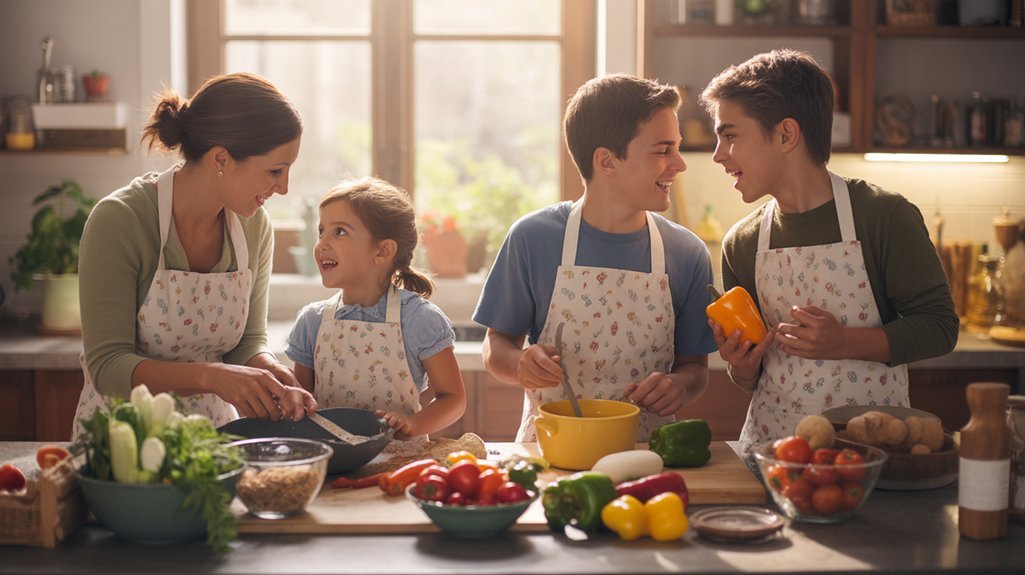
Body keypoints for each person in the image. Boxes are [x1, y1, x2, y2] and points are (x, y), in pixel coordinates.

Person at [699, 49, 958, 450]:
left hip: (871, 453)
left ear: (786, 135)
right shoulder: (742, 242)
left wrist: (845, 343)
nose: (718, 154)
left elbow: (940, 327)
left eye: (730, 136)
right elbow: (751, 376)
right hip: (773, 454)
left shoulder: (884, 216)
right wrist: (742, 365)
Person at [473, 74, 717, 442]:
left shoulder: (687, 253)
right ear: (606, 161)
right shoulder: (533, 238)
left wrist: (679, 386)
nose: (679, 164)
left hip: (646, 455)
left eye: (677, 148)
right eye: (663, 150)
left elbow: (695, 367)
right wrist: (519, 363)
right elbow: (496, 345)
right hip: (551, 452)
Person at [73, 72, 317, 439]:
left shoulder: (253, 227)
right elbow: (108, 366)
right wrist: (212, 377)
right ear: (221, 158)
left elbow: (246, 342)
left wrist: (269, 372)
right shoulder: (120, 221)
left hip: (211, 439)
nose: (283, 188)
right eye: (275, 171)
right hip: (124, 442)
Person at [285, 177, 466, 439]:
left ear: (382, 251)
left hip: (403, 458)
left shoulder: (418, 320)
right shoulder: (312, 321)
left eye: (340, 232)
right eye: (321, 231)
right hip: (334, 459)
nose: (322, 244)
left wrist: (413, 424)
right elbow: (301, 404)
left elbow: (453, 399)